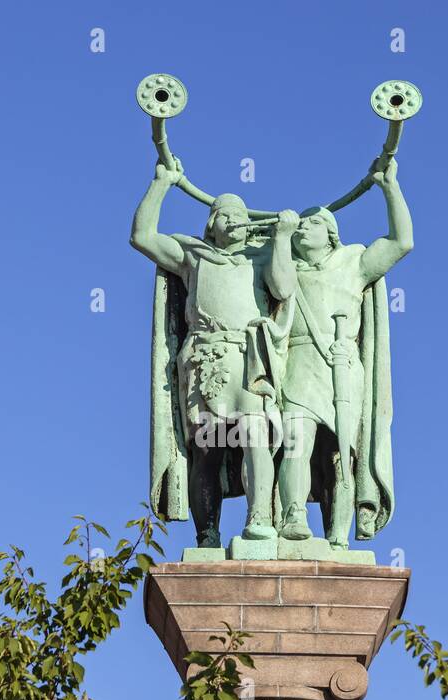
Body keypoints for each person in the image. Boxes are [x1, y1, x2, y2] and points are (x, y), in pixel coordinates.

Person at [131, 157, 299, 547]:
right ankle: (207, 533)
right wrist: (162, 183)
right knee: (207, 445)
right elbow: (142, 236)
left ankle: (259, 519)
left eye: (240, 214)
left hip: (248, 356)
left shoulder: (262, 256)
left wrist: (284, 238)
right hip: (206, 359)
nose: (234, 220)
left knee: (256, 433)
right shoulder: (194, 256)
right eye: (225, 214)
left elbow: (284, 289)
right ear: (212, 223)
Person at [278, 157, 412, 548]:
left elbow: (402, 241)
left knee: (342, 460)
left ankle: (338, 538)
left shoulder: (353, 261)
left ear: (332, 234)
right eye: (301, 223)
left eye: (314, 222)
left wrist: (390, 188)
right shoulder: (284, 266)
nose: (304, 227)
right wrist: (281, 237)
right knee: (294, 444)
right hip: (297, 365)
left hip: (343, 369)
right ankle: (292, 517)